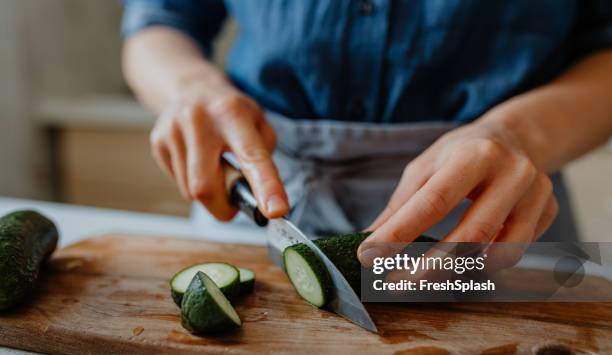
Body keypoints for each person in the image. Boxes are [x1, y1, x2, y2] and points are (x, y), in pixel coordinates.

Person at [122, 0, 612, 264]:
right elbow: (158, 21)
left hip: (489, 210)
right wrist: (190, 88)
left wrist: (518, 133)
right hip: (257, 189)